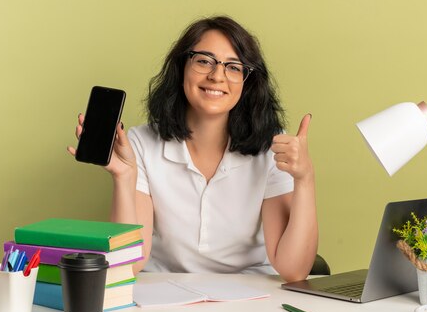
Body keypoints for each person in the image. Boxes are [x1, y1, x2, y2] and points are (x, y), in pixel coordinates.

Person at [67, 16, 317, 282]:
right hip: (165, 291)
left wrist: (305, 179)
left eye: (233, 67)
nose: (217, 76)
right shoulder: (141, 142)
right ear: (181, 67)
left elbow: (294, 270)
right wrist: (123, 177)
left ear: (247, 81)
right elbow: (128, 266)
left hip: (251, 294)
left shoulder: (271, 147)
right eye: (203, 61)